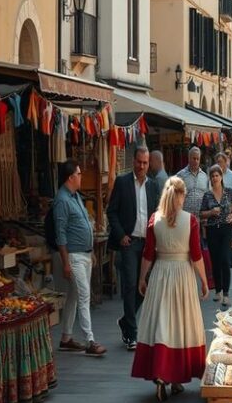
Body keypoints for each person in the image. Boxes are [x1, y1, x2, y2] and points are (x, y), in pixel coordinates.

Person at [132, 177, 209, 402]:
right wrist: (204, 281)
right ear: (181, 195)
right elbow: (196, 254)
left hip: (160, 274)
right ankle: (175, 378)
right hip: (182, 274)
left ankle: (161, 374)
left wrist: (142, 278)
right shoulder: (190, 220)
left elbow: (148, 253)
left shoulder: (154, 219)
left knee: (162, 322)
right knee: (181, 325)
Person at [107, 148, 159, 351]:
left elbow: (157, 214)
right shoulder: (122, 182)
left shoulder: (153, 186)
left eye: (145, 163)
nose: (141, 166)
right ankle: (131, 334)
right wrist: (121, 235)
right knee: (129, 285)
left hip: (148, 244)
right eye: (139, 162)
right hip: (129, 243)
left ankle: (125, 321)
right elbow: (111, 212)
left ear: (149, 163)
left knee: (144, 286)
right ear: (134, 161)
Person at [53, 159, 107, 356]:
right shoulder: (62, 200)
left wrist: (90, 251)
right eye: (79, 173)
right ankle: (89, 340)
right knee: (84, 296)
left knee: (75, 297)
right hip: (74, 256)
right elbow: (60, 233)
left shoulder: (75, 196)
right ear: (70, 177)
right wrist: (66, 262)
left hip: (83, 254)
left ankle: (66, 337)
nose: (81, 176)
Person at [200, 165, 232, 308]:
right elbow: (201, 213)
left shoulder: (228, 191)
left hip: (226, 228)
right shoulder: (207, 195)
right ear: (210, 179)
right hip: (212, 230)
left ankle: (226, 294)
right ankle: (218, 291)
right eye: (212, 176)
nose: (215, 178)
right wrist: (211, 212)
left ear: (221, 177)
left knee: (225, 259)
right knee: (215, 260)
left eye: (217, 175)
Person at [177, 147, 209, 222]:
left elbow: (207, 197)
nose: (196, 161)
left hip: (200, 220)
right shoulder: (180, 176)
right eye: (194, 158)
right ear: (189, 158)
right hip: (184, 219)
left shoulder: (204, 177)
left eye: (198, 159)